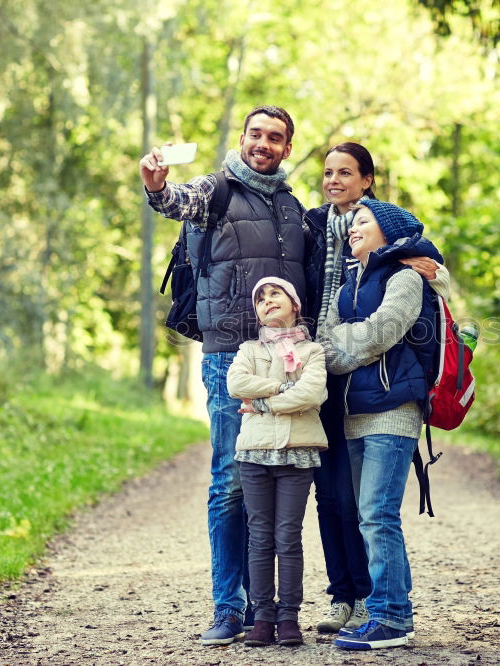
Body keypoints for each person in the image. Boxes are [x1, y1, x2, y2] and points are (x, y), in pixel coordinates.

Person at [138, 106, 323, 646]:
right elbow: (176, 202)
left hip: (289, 358)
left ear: (287, 148)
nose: (264, 144)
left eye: (276, 138)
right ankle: (229, 607)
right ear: (242, 139)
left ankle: (267, 609)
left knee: (275, 481)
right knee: (231, 480)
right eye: (256, 135)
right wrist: (157, 188)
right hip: (230, 358)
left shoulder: (292, 207)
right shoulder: (214, 191)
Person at [305, 143, 449, 634]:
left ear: (385, 231)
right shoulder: (349, 283)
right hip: (351, 411)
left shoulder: (404, 276)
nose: (352, 231)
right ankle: (390, 613)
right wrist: (342, 345)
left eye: (362, 225)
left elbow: (380, 332)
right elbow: (328, 335)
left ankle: (389, 617)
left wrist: (341, 348)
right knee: (370, 515)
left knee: (377, 515)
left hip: (391, 410)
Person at [226, 277, 328, 647]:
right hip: (254, 453)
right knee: (259, 537)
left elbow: (314, 392)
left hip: (298, 452)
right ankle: (262, 618)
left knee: (288, 536)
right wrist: (285, 388)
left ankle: (288, 617)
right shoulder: (249, 349)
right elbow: (236, 384)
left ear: (294, 304)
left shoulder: (313, 352)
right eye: (260, 299)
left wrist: (265, 402)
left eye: (275, 294)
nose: (267, 301)